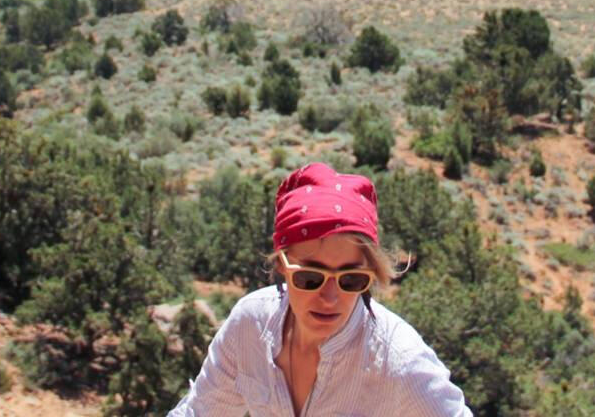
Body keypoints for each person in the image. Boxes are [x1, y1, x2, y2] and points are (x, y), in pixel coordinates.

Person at [169, 163, 472, 416]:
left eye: (351, 279)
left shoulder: (400, 362)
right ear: (282, 265)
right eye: (310, 278)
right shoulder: (249, 325)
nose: (330, 298)